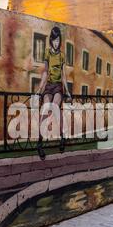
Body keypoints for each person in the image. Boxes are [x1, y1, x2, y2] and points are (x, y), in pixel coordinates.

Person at [36, 26, 72, 160]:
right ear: (51, 40)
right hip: (48, 86)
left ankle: (62, 137)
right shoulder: (47, 53)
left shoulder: (62, 55)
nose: (56, 43)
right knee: (45, 109)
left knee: (55, 107)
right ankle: (39, 143)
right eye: (54, 40)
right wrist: (40, 89)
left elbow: (63, 75)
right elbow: (45, 72)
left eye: (58, 40)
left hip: (57, 87)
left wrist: (67, 91)